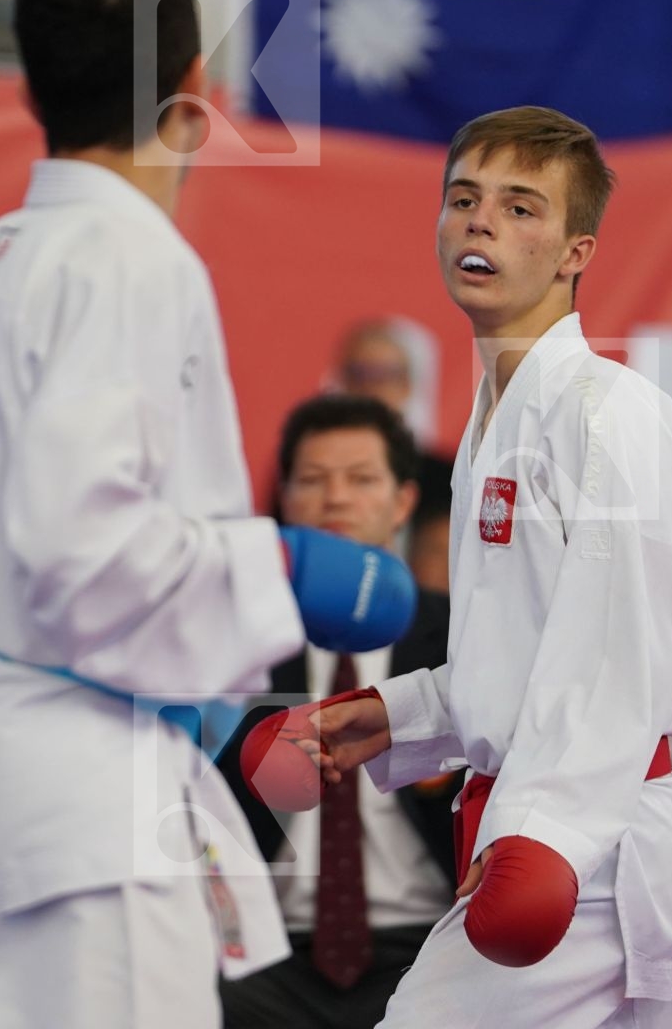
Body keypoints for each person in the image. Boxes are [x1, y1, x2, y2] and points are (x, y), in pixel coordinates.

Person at [0, 0, 416, 1029]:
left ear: (36, 81)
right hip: (87, 810)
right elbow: (89, 553)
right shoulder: (132, 257)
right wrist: (278, 568)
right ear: (193, 84)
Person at [250, 107, 672, 1027]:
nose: (481, 222)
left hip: (587, 848)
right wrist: (390, 716)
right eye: (463, 199)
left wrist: (545, 837)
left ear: (577, 252)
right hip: (548, 837)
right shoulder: (487, 432)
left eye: (521, 207)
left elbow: (624, 661)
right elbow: (523, 668)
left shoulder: (611, 410)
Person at [221, 395, 457, 1029]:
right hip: (265, 956)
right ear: (285, 503)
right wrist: (258, 774)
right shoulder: (234, 646)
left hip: (430, 945)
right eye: (314, 481)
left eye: (361, 480)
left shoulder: (459, 638)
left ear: (403, 501)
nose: (336, 500)